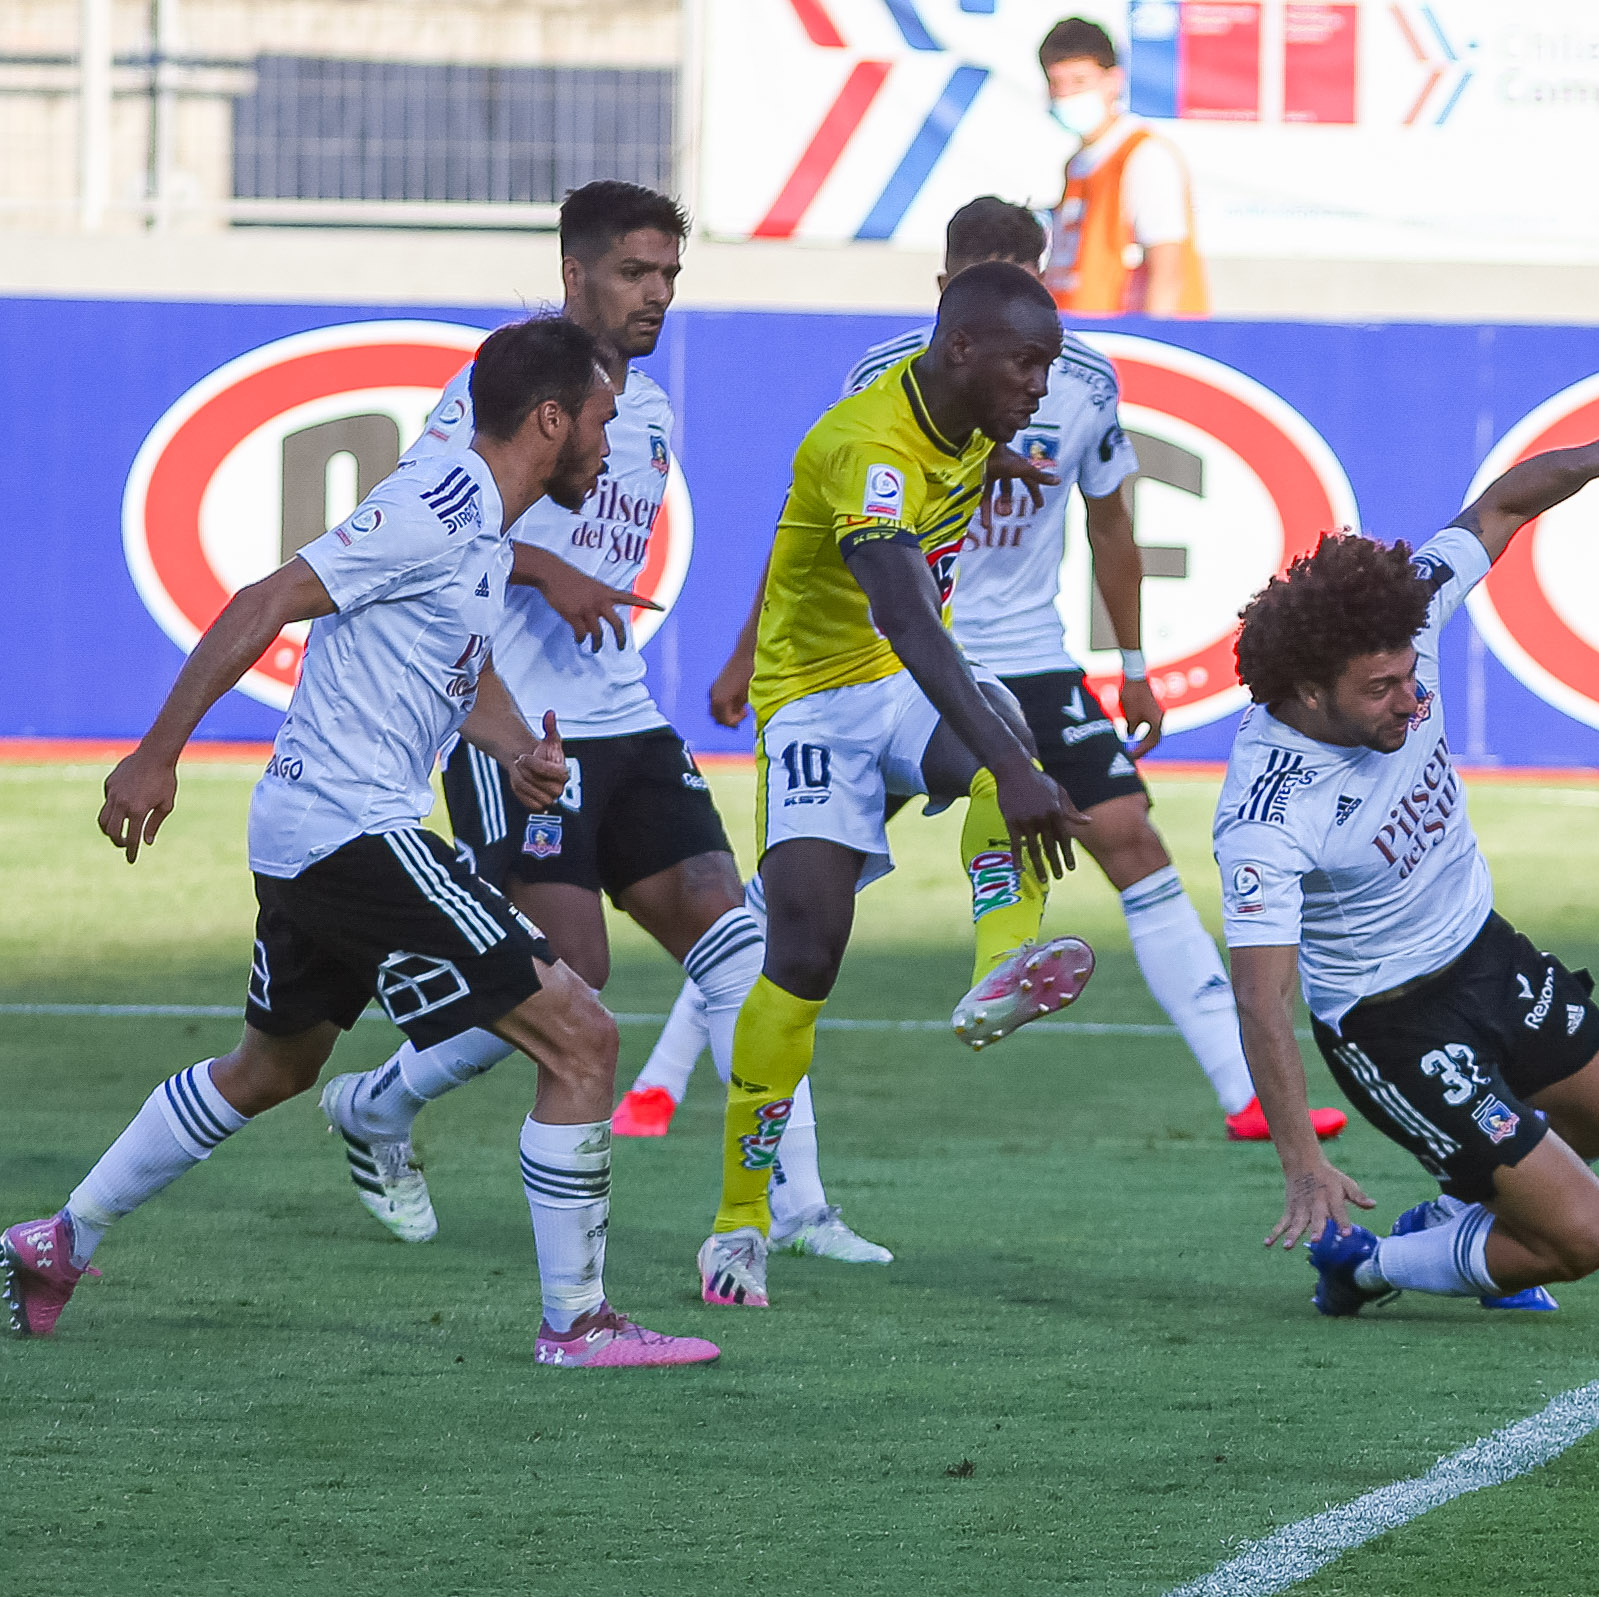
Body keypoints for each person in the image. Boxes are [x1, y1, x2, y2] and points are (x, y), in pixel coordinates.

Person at [1, 318, 717, 1368]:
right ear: (550, 419)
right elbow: (266, 599)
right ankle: (579, 1321)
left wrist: (520, 751)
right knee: (584, 1035)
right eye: (601, 424)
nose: (609, 449)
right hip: (352, 830)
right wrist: (155, 754)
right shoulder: (435, 504)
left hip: (312, 832)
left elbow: (455, 673)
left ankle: (58, 1237)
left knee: (269, 1068)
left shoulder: (480, 527)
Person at [626, 196, 1344, 1144]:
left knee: (1126, 835)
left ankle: (1236, 1085)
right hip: (896, 661)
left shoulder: (1082, 380)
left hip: (1028, 655)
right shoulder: (884, 382)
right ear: (947, 304)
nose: (1031, 376)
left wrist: (1132, 664)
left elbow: (1112, 521)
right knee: (800, 895)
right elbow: (825, 532)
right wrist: (747, 648)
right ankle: (662, 1081)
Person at [314, 182, 890, 1269]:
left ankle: (798, 1206)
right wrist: (551, 570)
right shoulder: (491, 393)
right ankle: (378, 1102)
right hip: (513, 726)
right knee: (571, 973)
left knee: (736, 943)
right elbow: (423, 520)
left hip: (622, 714)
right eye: (634, 272)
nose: (655, 294)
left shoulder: (650, 409)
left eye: (669, 274)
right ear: (574, 272)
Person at [1213, 404, 1599, 1317]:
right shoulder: (1268, 812)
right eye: (1384, 689)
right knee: (1586, 1234)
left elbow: (1504, 507)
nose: (1415, 698)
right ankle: (1364, 1268)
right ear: (1310, 691)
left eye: (1411, 672)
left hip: (1481, 949)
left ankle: (1456, 1215)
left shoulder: (1403, 617)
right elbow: (1260, 996)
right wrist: (1301, 1158)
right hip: (1392, 1021)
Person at [694, 263, 1089, 1309]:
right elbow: (906, 620)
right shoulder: (864, 446)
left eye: (1048, 365)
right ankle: (740, 1221)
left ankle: (1001, 964)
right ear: (959, 347)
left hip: (891, 691)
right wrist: (1013, 766)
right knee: (805, 953)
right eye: (1026, 363)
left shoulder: (960, 423)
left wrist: (991, 456)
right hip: (816, 703)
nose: (1042, 387)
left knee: (1007, 732)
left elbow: (945, 480)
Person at [1039, 17, 1208, 319]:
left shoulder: (1143, 156)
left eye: (1079, 81)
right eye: (1056, 82)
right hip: (1085, 337)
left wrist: (1150, 345)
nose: (1065, 94)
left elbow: (1168, 269)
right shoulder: (1077, 165)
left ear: (1113, 81)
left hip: (1128, 342)